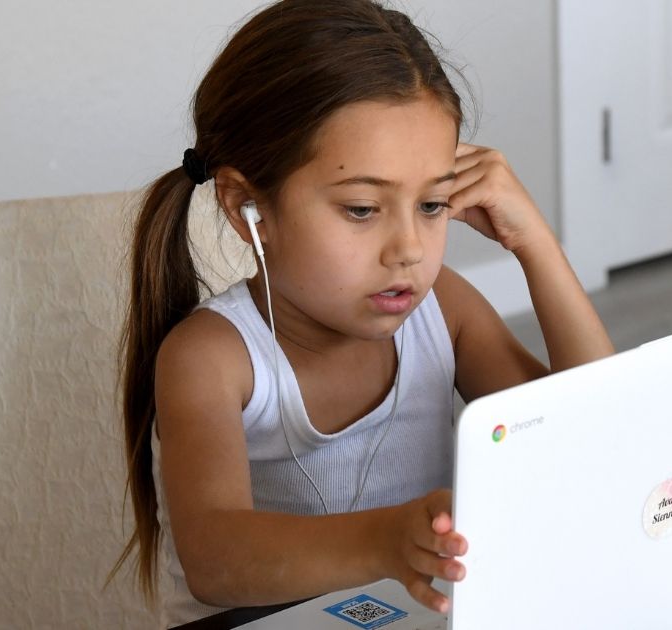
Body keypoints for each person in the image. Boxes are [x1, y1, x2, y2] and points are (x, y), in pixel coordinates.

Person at [108, 1, 614, 627]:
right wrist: (383, 541)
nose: (408, 249)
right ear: (248, 210)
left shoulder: (442, 309)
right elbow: (215, 559)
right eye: (361, 209)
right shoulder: (212, 357)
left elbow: (600, 435)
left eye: (431, 205)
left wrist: (534, 243)